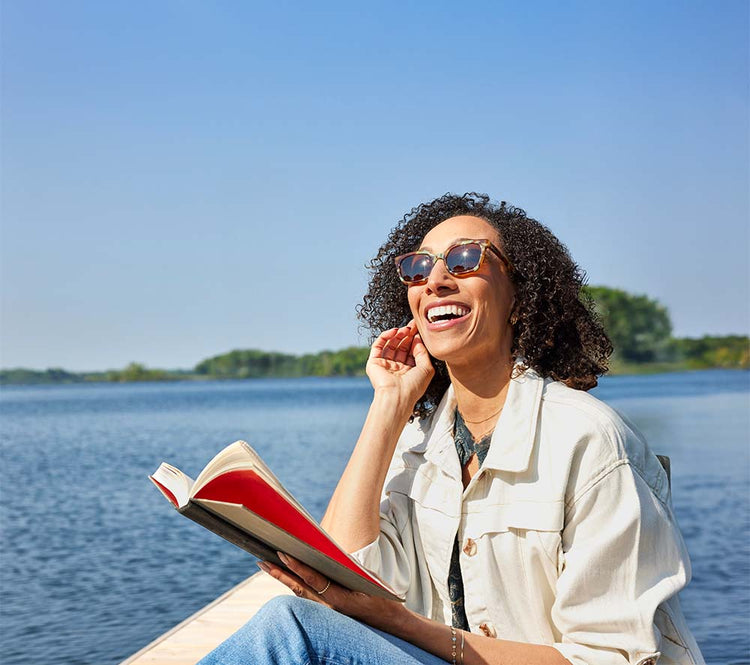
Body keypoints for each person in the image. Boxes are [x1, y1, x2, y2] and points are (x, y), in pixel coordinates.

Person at [198, 193, 704, 665]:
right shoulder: (420, 439)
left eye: (465, 260)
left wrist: (408, 626)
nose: (435, 279)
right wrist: (388, 407)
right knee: (297, 624)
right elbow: (349, 579)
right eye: (419, 267)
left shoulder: (590, 440)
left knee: (289, 630)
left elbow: (608, 658)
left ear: (520, 298)